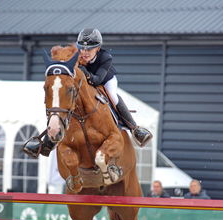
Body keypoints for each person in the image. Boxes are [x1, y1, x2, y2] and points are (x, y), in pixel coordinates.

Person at [24, 28, 152, 158]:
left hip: (104, 81)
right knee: (65, 98)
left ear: (98, 48)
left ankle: (134, 129)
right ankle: (48, 140)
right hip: (84, 83)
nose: (84, 52)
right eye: (82, 48)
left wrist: (82, 70)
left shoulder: (106, 57)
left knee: (113, 96)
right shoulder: (76, 55)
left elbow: (96, 80)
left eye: (89, 49)